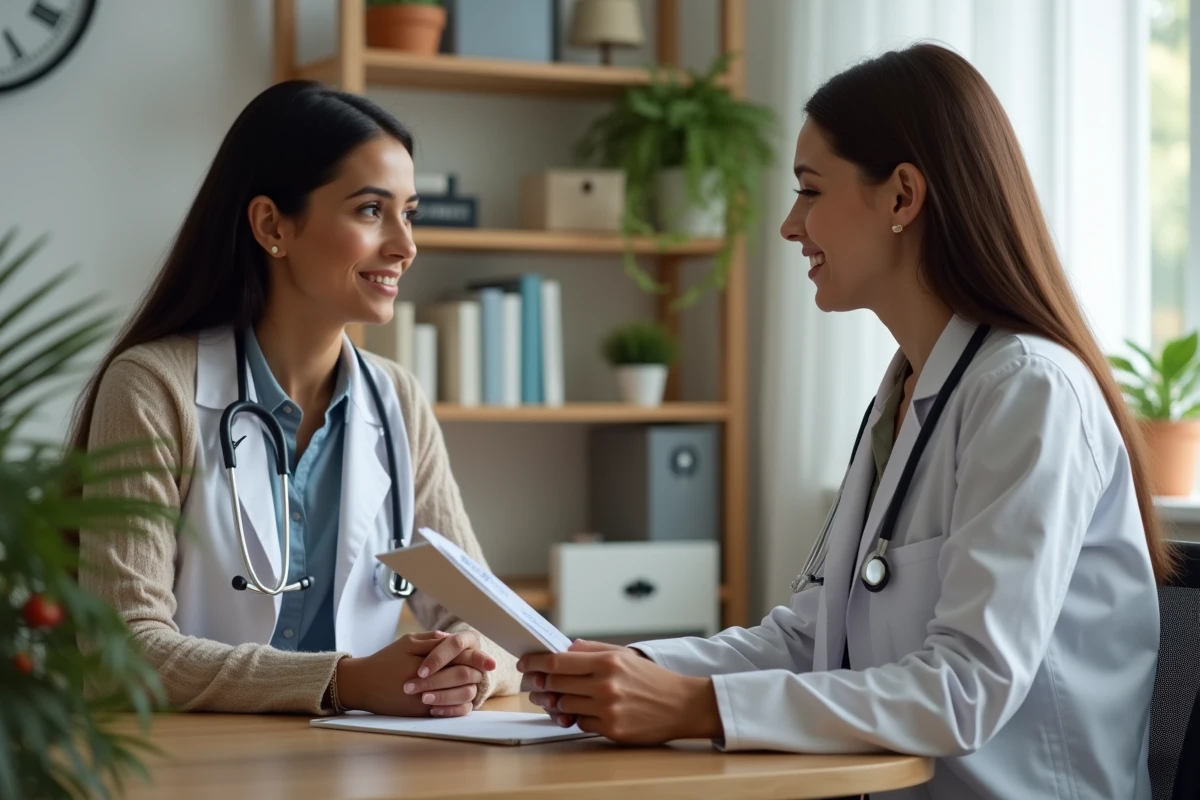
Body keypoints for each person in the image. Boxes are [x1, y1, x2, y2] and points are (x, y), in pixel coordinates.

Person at [518, 44, 1172, 799]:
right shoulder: (906, 392)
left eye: (808, 190)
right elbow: (811, 637)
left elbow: (966, 687)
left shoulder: (1031, 391)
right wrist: (622, 670)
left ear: (901, 197)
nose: (791, 226)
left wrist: (698, 707)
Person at [73, 80, 519, 717]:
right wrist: (344, 681)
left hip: (363, 771)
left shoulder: (397, 400)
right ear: (271, 224)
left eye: (409, 212)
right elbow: (120, 650)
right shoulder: (153, 386)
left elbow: (494, 625)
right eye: (371, 211)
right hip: (196, 773)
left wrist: (472, 662)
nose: (405, 244)